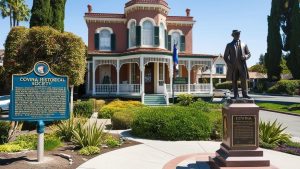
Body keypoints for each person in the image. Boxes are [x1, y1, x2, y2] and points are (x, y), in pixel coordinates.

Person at [224, 30, 251, 99]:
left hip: (242, 65)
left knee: (244, 80)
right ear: (233, 35)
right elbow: (225, 57)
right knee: (234, 80)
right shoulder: (229, 45)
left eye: (239, 34)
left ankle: (245, 94)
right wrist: (229, 64)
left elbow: (249, 54)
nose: (238, 35)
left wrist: (245, 57)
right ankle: (236, 95)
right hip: (233, 66)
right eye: (236, 34)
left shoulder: (244, 44)